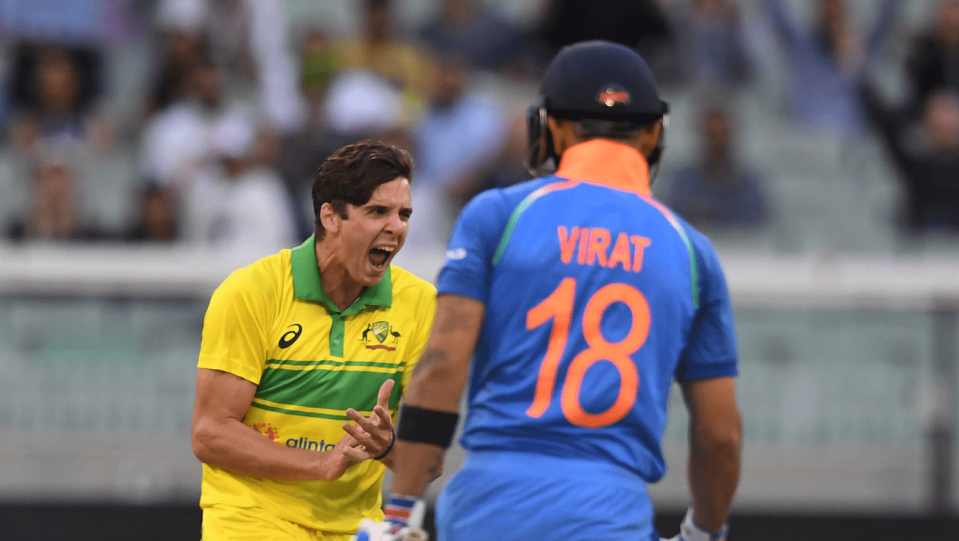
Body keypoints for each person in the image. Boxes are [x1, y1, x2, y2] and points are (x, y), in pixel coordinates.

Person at [357, 40, 742, 541]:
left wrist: (401, 512)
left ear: (551, 126)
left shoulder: (498, 214)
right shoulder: (692, 252)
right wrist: (702, 532)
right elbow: (719, 437)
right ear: (653, 134)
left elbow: (443, 365)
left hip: (489, 508)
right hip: (610, 514)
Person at [191, 139, 438, 540]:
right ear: (330, 217)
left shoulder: (420, 304)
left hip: (354, 528)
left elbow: (431, 458)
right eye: (377, 211)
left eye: (404, 214)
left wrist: (387, 446)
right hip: (251, 518)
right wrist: (321, 464)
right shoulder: (252, 292)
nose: (396, 227)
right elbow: (210, 433)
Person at [665, 104, 769, 228]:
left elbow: (757, 225)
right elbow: (675, 223)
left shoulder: (749, 184)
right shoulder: (683, 183)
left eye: (722, 134)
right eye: (711, 135)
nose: (717, 143)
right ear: (702, 136)